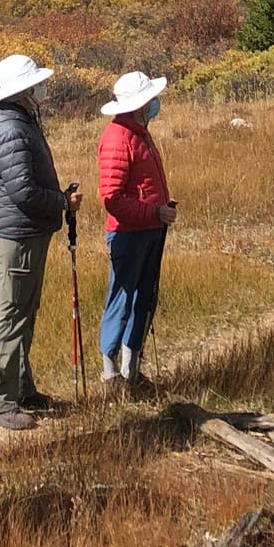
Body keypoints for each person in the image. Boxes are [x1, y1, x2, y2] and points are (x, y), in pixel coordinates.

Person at [0, 54, 80, 432]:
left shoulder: (19, 121)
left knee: (24, 309)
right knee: (11, 313)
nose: (42, 88)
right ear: (21, 90)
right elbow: (22, 191)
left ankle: (20, 386)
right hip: (19, 233)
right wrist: (61, 203)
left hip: (26, 231)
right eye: (36, 83)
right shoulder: (11, 128)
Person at [96, 70, 176, 394]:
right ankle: (110, 372)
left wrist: (158, 211)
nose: (156, 104)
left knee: (145, 297)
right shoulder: (118, 138)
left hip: (150, 229)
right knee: (123, 298)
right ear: (140, 104)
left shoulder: (139, 132)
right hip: (129, 234)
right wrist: (153, 211)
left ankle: (132, 369)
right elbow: (112, 199)